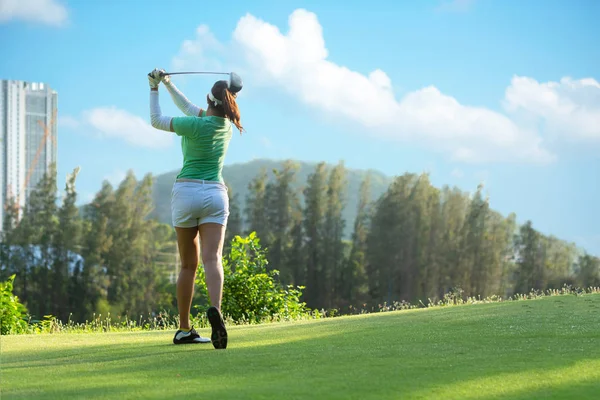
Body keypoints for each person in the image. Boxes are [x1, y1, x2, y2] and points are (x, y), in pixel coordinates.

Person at [147, 68, 244, 349]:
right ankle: (216, 309)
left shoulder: (194, 125)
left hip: (186, 193)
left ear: (209, 101)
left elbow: (156, 120)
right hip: (215, 193)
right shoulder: (225, 125)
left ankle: (184, 328)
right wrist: (167, 83)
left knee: (188, 265)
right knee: (213, 259)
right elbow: (189, 107)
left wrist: (154, 88)